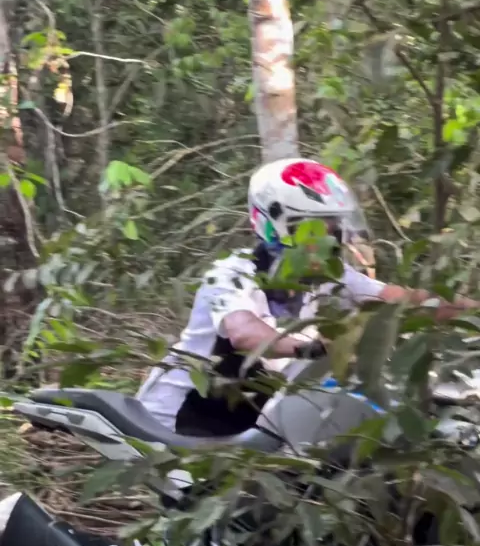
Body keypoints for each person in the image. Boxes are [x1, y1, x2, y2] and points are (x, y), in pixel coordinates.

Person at [137, 158, 477, 437]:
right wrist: (312, 349)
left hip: (253, 420)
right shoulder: (230, 274)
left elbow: (403, 300)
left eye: (332, 227)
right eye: (311, 227)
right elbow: (244, 333)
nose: (326, 237)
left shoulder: (331, 276)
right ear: (275, 226)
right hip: (177, 424)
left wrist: (470, 310)